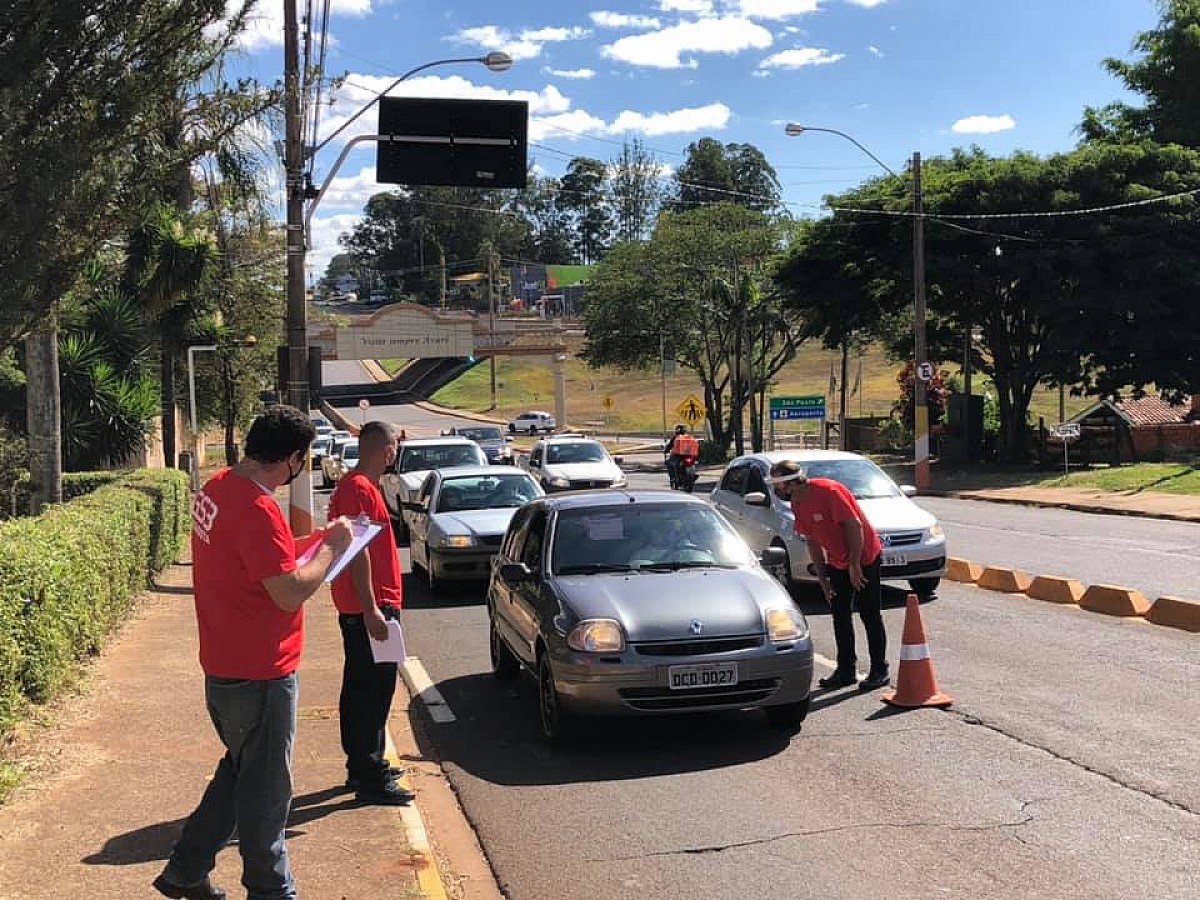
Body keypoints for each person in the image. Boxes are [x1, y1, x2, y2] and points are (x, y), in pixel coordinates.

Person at [155, 405, 355, 900]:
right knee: (267, 794)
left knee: (239, 773)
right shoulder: (258, 508)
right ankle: (270, 889)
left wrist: (319, 539)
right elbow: (288, 590)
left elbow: (260, 557)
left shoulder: (220, 486)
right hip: (261, 671)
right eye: (302, 462)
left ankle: (185, 870)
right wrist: (334, 549)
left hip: (224, 667)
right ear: (290, 459)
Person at [326, 420, 414, 806]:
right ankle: (369, 773)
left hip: (371, 604)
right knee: (371, 690)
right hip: (370, 607)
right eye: (394, 447)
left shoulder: (359, 487)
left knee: (372, 687)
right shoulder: (358, 489)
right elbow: (357, 551)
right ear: (387, 450)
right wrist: (371, 610)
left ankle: (365, 764)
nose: (395, 454)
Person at [768, 459, 890, 692]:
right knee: (839, 613)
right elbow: (812, 541)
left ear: (790, 483)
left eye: (777, 484)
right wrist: (823, 579)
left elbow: (853, 525)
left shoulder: (828, 491)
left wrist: (855, 563)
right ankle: (846, 670)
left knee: (869, 612)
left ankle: (879, 669)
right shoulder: (797, 503)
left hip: (863, 557)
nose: (776, 490)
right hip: (837, 561)